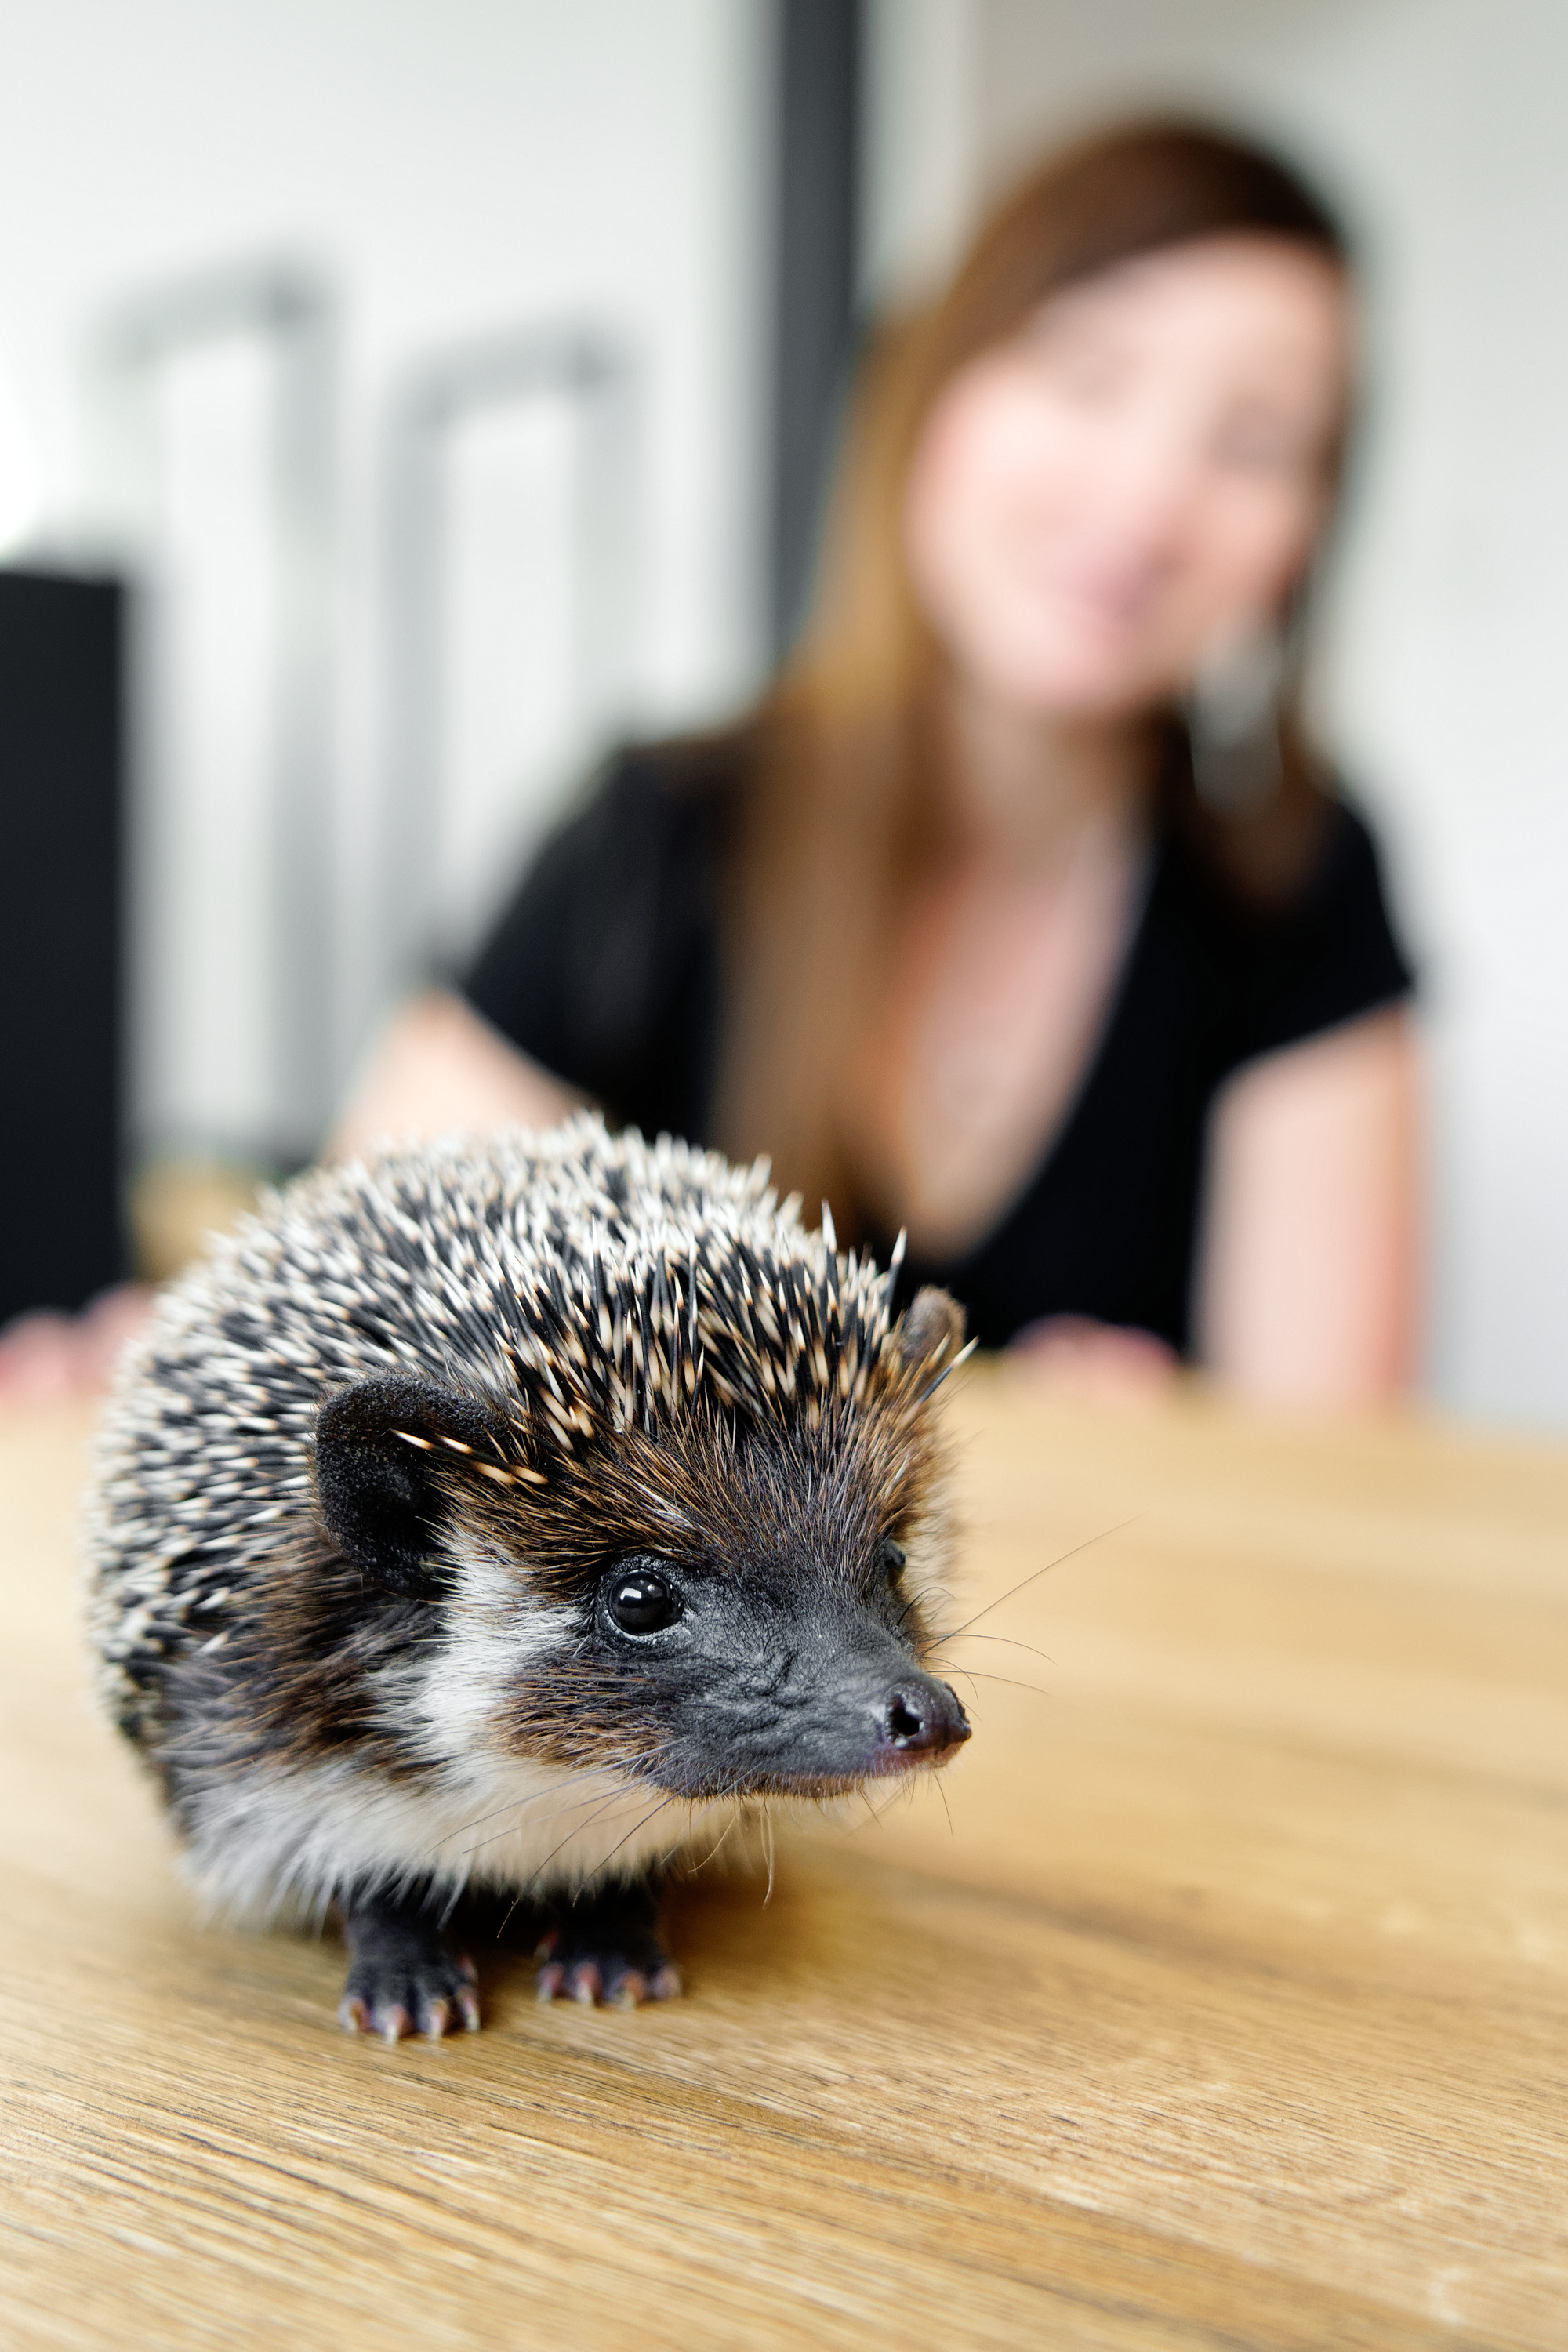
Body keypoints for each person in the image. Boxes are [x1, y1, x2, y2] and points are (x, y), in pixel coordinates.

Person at [2, 118, 1418, 1405]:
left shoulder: (1293, 881)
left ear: (1309, 531)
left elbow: (1326, 1451)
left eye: (1258, 439)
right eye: (1090, 375)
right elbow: (363, 1316)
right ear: (927, 391)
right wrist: (169, 1377)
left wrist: (1180, 1443)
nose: (1150, 494)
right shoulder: (659, 835)